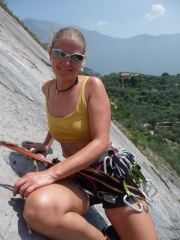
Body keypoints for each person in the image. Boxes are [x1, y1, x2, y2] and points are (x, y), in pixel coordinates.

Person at [13, 27, 159, 240]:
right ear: (50, 52)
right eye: (60, 54)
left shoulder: (92, 86)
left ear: (83, 61)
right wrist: (46, 144)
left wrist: (50, 174)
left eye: (76, 57)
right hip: (78, 176)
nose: (67, 62)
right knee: (38, 211)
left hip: (108, 173)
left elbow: (101, 142)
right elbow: (59, 120)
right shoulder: (47, 89)